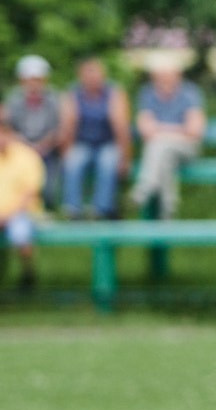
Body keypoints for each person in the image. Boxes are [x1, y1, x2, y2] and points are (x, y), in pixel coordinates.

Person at [129, 56, 207, 220]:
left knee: (159, 144)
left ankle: (145, 188)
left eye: (168, 75)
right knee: (164, 157)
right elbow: (145, 130)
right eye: (160, 76)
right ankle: (168, 211)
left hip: (187, 149)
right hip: (165, 152)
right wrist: (178, 130)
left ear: (178, 76)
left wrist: (161, 130)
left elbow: (195, 130)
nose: (164, 80)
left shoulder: (190, 93)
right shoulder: (148, 93)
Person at [58, 56, 129, 220]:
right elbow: (68, 126)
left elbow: (121, 128)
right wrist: (65, 153)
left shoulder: (114, 93)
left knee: (108, 161)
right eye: (87, 73)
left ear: (103, 74)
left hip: (107, 142)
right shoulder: (73, 93)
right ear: (80, 76)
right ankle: (72, 209)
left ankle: (102, 209)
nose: (92, 78)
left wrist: (125, 157)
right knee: (73, 161)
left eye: (95, 73)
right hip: (82, 142)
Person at [7, 55, 62, 211]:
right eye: (29, 79)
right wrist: (26, 146)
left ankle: (51, 211)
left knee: (50, 187)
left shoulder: (54, 98)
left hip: (49, 150)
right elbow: (9, 128)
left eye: (37, 79)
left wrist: (43, 145)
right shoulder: (14, 100)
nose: (33, 83)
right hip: (20, 149)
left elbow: (60, 127)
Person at [0, 111, 42, 289]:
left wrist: (6, 216)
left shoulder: (27, 156)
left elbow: (29, 194)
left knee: (20, 232)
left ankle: (27, 274)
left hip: (21, 214)